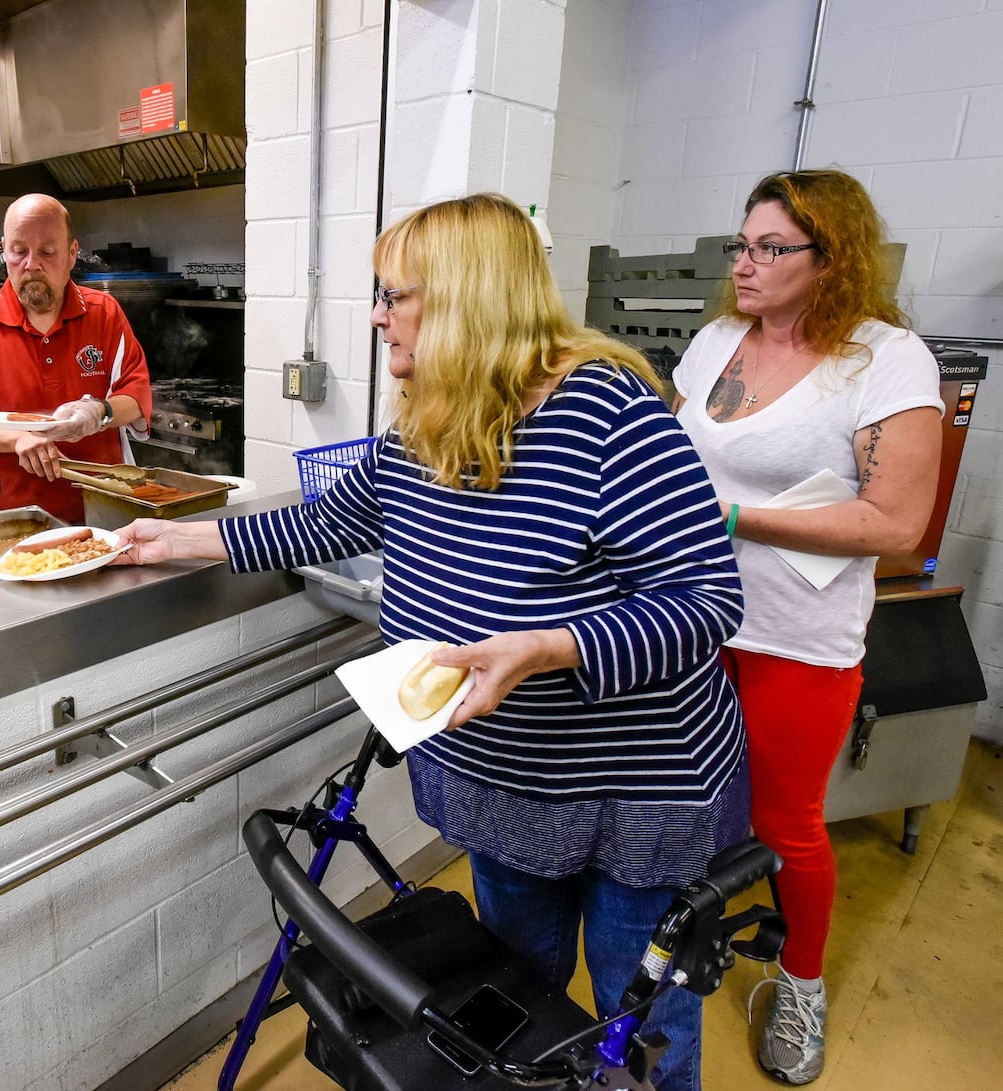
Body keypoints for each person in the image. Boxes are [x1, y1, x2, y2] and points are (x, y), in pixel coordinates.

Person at [115, 194, 749, 1091]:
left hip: (628, 791)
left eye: (393, 296)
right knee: (517, 1002)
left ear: (466, 300)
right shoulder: (429, 413)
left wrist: (549, 645)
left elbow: (706, 600)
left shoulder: (611, 416)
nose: (376, 316)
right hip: (503, 777)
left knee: (635, 1033)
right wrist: (179, 537)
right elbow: (324, 521)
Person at [672, 170, 942, 1085]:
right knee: (692, 802)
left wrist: (734, 517)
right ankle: (697, 935)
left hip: (796, 636)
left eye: (771, 248)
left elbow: (896, 526)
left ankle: (802, 982)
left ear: (832, 258)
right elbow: (674, 463)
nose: (744, 264)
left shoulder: (884, 358)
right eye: (741, 245)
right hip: (692, 620)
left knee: (787, 824)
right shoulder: (715, 342)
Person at [0, 193, 152, 523]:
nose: (31, 264)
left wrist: (99, 412)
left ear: (72, 254)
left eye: (47, 252)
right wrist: (17, 439)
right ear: (4, 250)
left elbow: (136, 397)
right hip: (11, 519)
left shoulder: (104, 313)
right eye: (19, 252)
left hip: (106, 512)